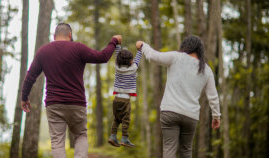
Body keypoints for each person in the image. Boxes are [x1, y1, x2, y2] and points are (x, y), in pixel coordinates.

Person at [21, 23, 122, 158]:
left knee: (57, 142)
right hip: (76, 103)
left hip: (54, 103)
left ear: (54, 36)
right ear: (70, 35)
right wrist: (114, 41)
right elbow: (102, 57)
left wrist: (24, 97)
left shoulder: (43, 51)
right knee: (81, 135)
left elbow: (30, 76)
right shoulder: (78, 48)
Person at [136, 35, 221, 158]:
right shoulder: (206, 70)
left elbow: (153, 56)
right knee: (186, 151)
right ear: (200, 51)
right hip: (191, 116)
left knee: (169, 149)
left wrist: (143, 45)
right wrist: (216, 116)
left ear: (185, 46)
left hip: (170, 111)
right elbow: (213, 96)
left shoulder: (176, 57)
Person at [107, 44, 142, 148]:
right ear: (131, 61)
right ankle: (124, 138)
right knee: (125, 120)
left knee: (116, 119)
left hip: (116, 99)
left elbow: (117, 55)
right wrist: (140, 50)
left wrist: (118, 45)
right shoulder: (133, 68)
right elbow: (138, 59)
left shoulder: (117, 67)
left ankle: (112, 136)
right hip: (125, 100)